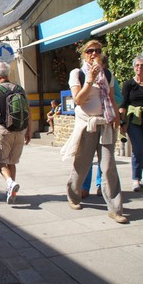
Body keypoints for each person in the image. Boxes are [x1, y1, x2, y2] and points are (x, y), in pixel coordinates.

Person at [60, 40, 127, 224]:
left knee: (108, 167)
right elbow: (78, 100)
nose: (93, 54)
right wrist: (89, 80)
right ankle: (73, 195)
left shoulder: (107, 74)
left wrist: (117, 122)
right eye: (89, 51)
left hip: (105, 123)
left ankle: (115, 208)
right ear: (84, 54)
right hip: (87, 124)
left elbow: (112, 99)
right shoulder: (78, 74)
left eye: (97, 51)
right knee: (82, 165)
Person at [82, 55, 124, 198]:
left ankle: (101, 186)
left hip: (107, 121)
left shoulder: (109, 77)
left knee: (105, 159)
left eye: (100, 65)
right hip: (89, 122)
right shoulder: (83, 75)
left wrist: (105, 103)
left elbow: (118, 97)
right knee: (85, 159)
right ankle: (84, 187)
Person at [0, 62, 31, 204]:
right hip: (20, 130)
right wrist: (29, 131)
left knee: (1, 161)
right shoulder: (20, 89)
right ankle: (12, 192)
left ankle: (9, 182)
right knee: (12, 162)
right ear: (8, 74)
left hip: (4, 129)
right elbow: (27, 111)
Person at [119, 53, 143, 192]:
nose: (139, 67)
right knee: (138, 148)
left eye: (142, 65)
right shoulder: (129, 84)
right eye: (137, 65)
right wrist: (122, 121)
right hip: (134, 120)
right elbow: (123, 102)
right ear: (134, 67)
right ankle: (136, 179)